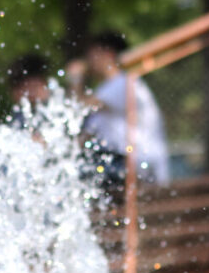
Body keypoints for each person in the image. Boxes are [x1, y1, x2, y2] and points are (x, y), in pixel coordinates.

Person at [68, 32, 171, 185]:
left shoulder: (125, 83)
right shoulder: (106, 89)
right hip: (121, 161)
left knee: (84, 175)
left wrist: (75, 80)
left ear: (108, 54)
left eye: (92, 55)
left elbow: (81, 106)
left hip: (139, 163)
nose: (88, 61)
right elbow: (88, 132)